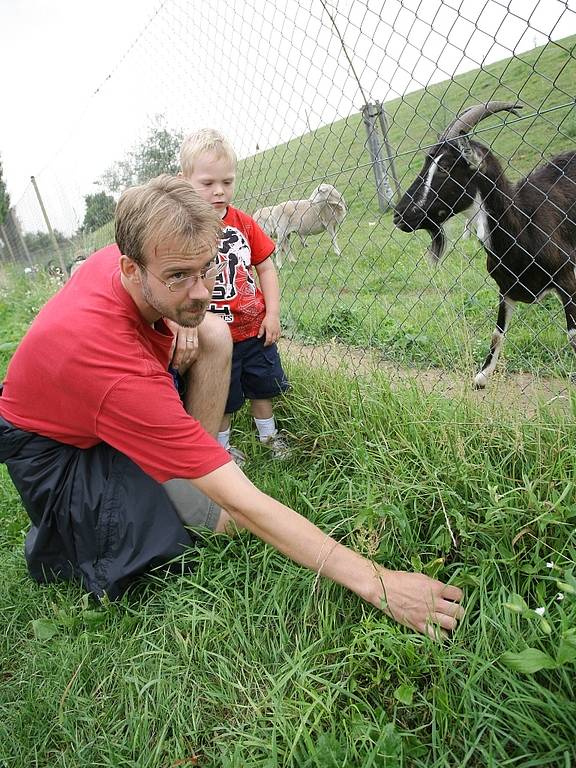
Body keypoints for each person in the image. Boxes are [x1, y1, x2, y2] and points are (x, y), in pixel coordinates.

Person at [0, 174, 464, 638]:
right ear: (130, 270)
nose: (202, 291)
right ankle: (80, 523)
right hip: (51, 452)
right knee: (216, 524)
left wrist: (178, 311)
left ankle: (190, 471)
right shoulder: (117, 370)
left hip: (90, 399)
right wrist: (379, 583)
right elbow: (245, 506)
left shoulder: (147, 251)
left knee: (214, 329)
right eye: (179, 276)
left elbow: (186, 294)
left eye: (205, 268)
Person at [180, 128, 290, 463]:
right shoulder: (183, 230)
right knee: (221, 394)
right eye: (207, 183)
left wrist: (271, 314)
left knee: (263, 386)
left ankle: (269, 438)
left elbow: (266, 268)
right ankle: (223, 449)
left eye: (227, 182)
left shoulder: (244, 223)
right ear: (185, 181)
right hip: (214, 337)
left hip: (253, 329)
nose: (219, 191)